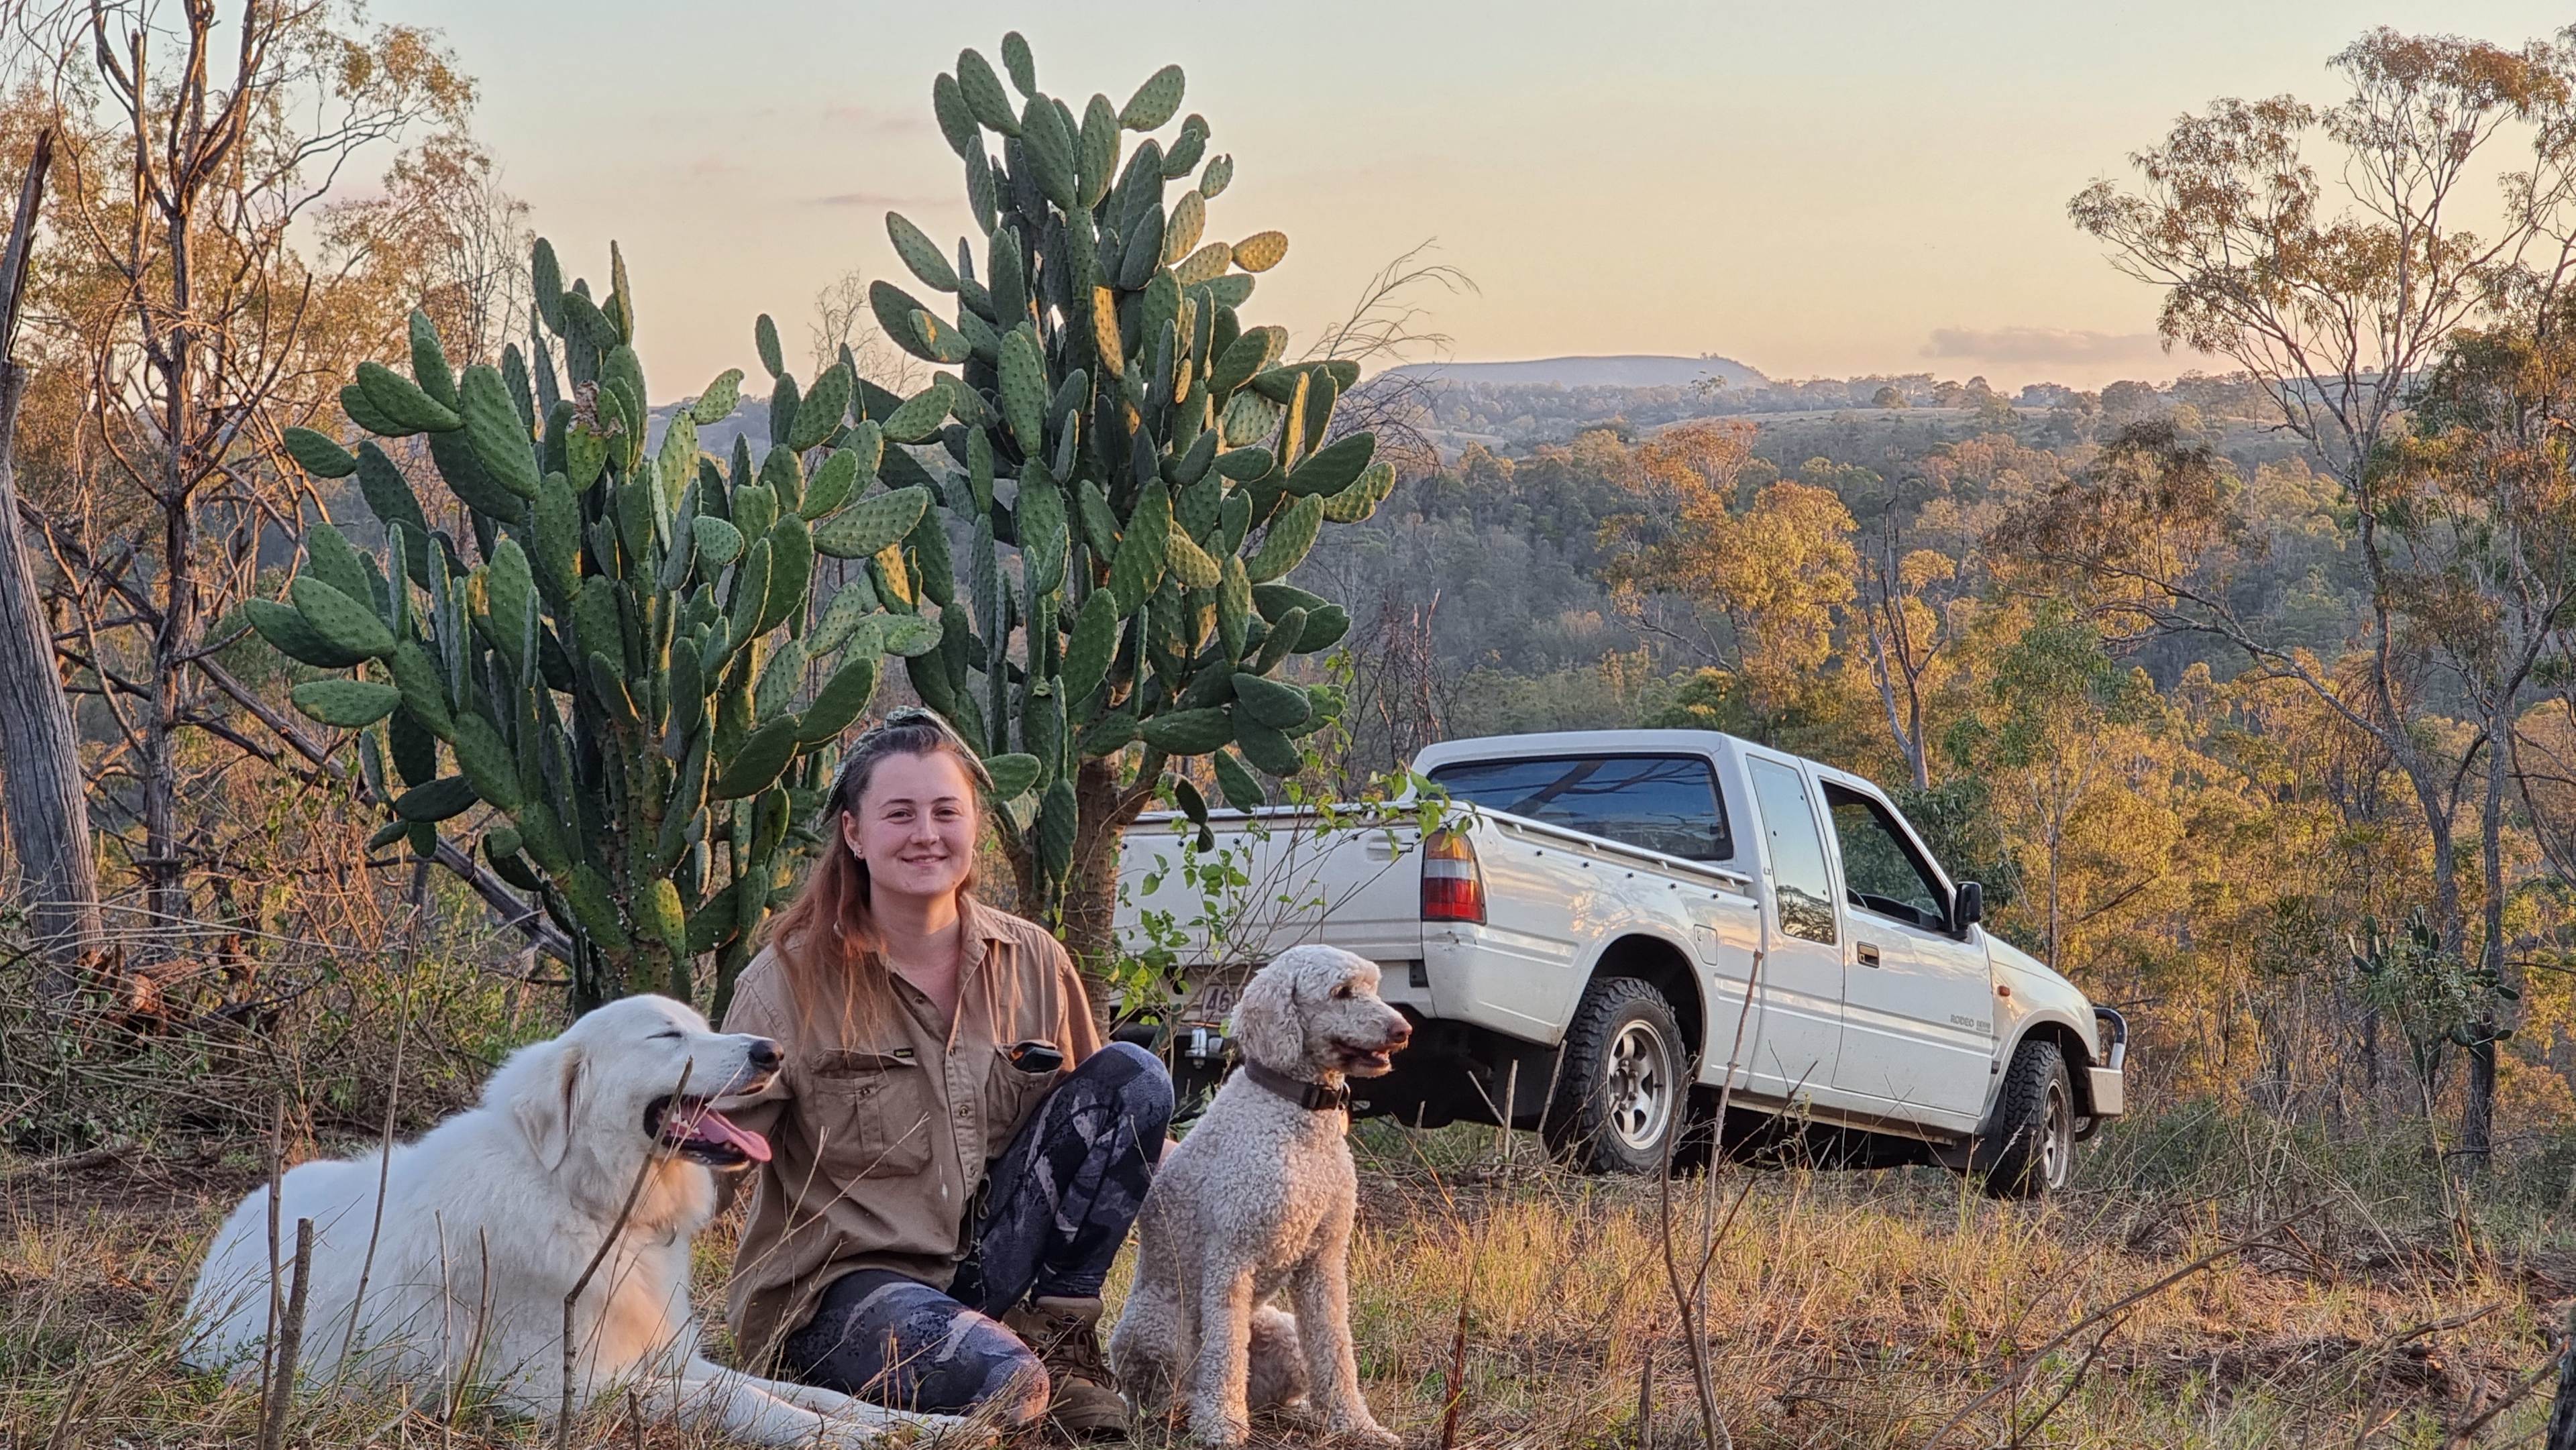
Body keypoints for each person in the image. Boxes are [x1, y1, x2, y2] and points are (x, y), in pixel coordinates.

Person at [716, 708, 1172, 1438]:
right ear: (855, 833)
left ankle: (1060, 1342)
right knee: (1008, 1385)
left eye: (945, 811)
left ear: (974, 826)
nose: (926, 833)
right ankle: (1010, 1371)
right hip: (841, 1290)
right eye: (899, 813)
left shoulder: (1034, 959)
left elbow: (1098, 1136)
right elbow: (711, 1162)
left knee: (1137, 1076)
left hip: (992, 1271)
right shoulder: (786, 983)